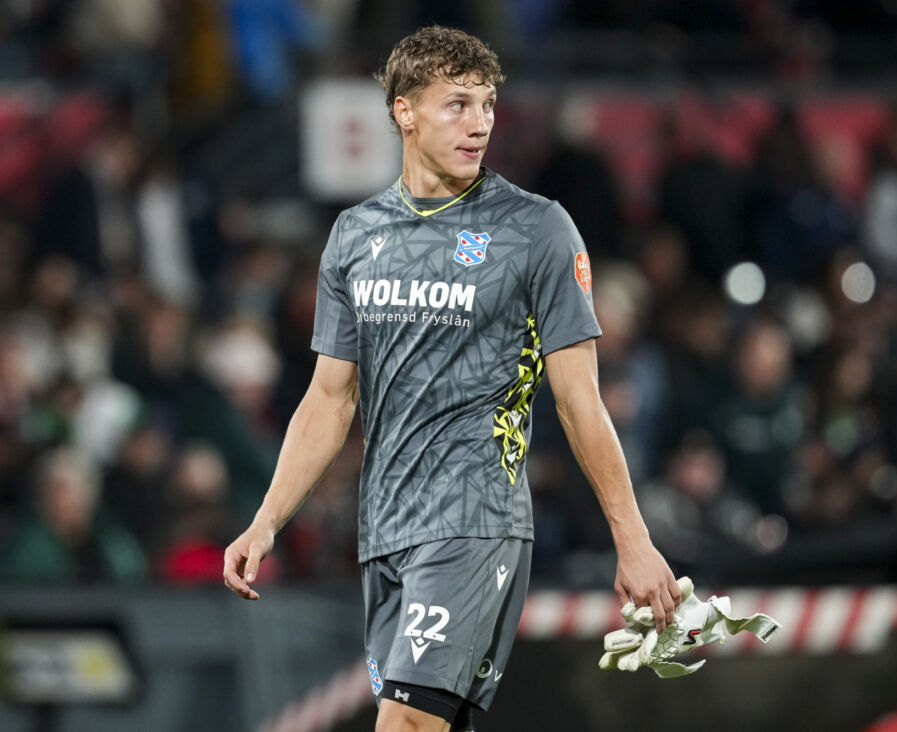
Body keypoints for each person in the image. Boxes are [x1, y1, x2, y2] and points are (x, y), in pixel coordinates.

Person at [222, 26, 680, 732]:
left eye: (488, 105)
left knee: (402, 724)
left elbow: (579, 399)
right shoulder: (354, 236)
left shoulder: (536, 231)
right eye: (457, 105)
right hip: (385, 531)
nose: (481, 124)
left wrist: (633, 538)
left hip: (475, 523)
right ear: (404, 110)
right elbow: (329, 397)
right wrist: (266, 519)